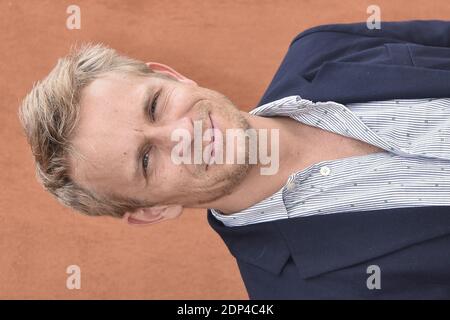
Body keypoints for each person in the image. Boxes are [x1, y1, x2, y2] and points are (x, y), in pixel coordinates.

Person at [19, 20, 450, 299]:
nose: (183, 134)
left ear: (171, 76)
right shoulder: (294, 292)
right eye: (147, 160)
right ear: (153, 211)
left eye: (155, 105)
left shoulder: (323, 48)